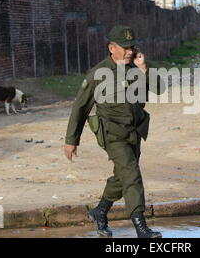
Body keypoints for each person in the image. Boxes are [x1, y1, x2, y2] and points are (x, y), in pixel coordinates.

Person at [64, 25, 165, 238]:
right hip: (112, 133)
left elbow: (160, 88)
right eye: (125, 47)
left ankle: (100, 211)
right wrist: (72, 140)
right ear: (112, 48)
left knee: (123, 176)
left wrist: (145, 68)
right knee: (132, 174)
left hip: (135, 131)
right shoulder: (98, 74)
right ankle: (141, 228)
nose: (130, 51)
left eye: (132, 47)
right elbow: (80, 107)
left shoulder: (138, 67)